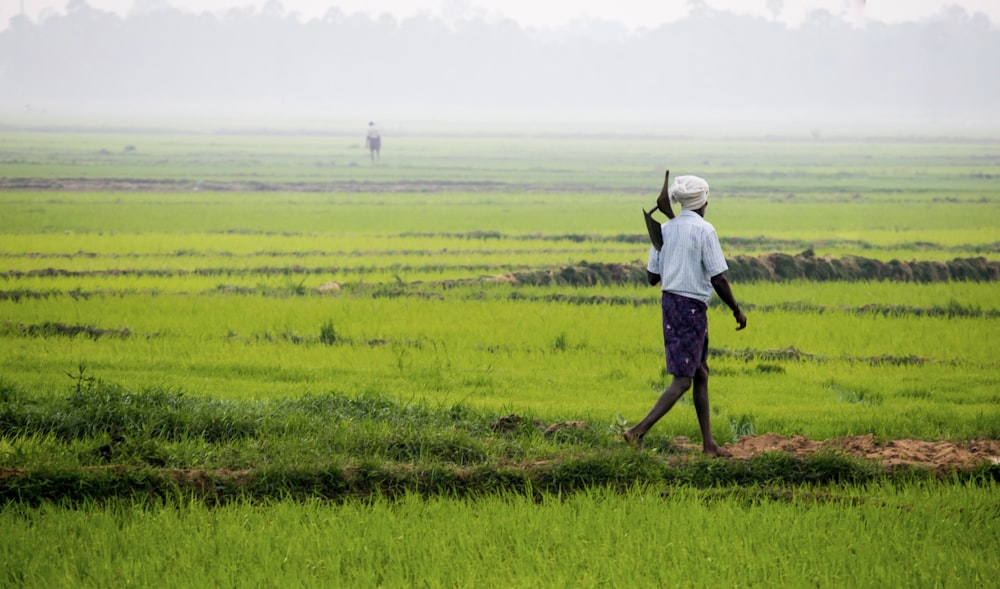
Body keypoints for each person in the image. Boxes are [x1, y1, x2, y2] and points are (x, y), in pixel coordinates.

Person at [624, 174, 747, 457]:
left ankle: (708, 445)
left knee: (700, 371)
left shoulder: (664, 230)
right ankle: (637, 432)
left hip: (672, 304)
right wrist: (736, 310)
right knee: (683, 380)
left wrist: (665, 250)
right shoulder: (705, 231)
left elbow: (652, 278)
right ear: (703, 201)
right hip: (691, 309)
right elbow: (719, 279)